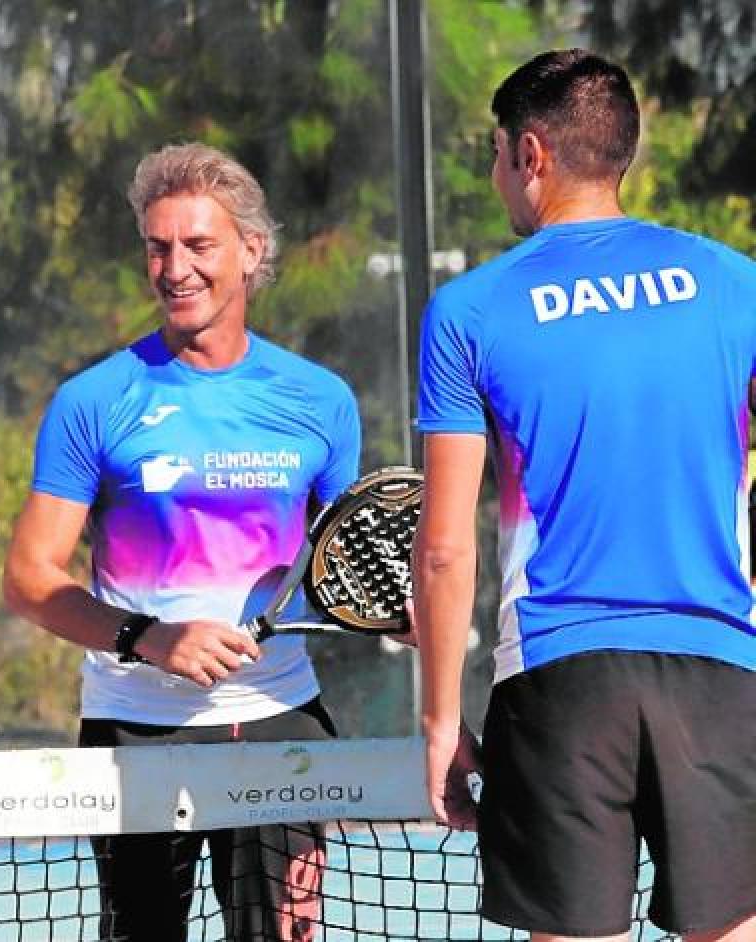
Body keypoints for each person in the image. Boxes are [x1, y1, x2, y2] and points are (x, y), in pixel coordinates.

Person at [413, 49, 756, 942]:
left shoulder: (470, 311)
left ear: (531, 154)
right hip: (720, 669)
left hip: (560, 679)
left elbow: (447, 548)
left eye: (495, 155)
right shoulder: (735, 284)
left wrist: (440, 721)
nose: (496, 177)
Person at [3, 142, 361, 942]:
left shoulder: (321, 401)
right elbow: (28, 578)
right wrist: (148, 637)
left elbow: (350, 566)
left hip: (280, 721)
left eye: (198, 245)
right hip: (135, 728)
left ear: (251, 252)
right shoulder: (92, 402)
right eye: (158, 247)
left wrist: (397, 615)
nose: (175, 268)